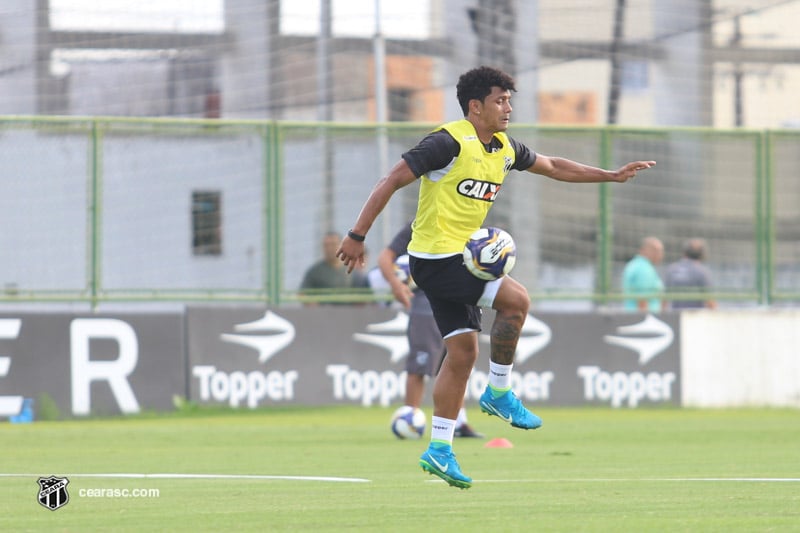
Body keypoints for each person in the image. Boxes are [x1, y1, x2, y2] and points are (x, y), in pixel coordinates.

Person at [336, 66, 655, 489]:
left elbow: (555, 165)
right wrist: (357, 235)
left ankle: (440, 450)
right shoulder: (447, 142)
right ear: (475, 106)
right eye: (500, 100)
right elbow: (392, 179)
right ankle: (499, 392)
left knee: (463, 354)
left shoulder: (504, 147)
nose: (508, 107)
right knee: (517, 300)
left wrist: (610, 175)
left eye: (509, 100)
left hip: (459, 262)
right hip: (436, 261)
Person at [377, 220, 483, 439]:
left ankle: (459, 423)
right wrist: (397, 285)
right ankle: (410, 420)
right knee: (420, 364)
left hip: (458, 300)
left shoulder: (467, 221)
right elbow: (385, 258)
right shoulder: (419, 224)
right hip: (425, 306)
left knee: (459, 362)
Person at [300, 231, 368, 301]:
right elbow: (303, 294)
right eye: (326, 245)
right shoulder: (314, 272)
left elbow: (362, 298)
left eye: (333, 244)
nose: (329, 249)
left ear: (341, 245)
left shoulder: (352, 271)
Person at [665, 238, 716, 309]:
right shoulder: (702, 272)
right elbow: (710, 301)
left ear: (684, 252)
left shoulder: (672, 270)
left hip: (675, 315)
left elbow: (664, 299)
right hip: (694, 317)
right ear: (702, 255)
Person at [622, 236, 665, 313]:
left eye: (661, 251)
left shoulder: (634, 264)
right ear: (644, 250)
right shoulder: (644, 269)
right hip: (645, 319)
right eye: (656, 251)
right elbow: (642, 300)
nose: (660, 255)